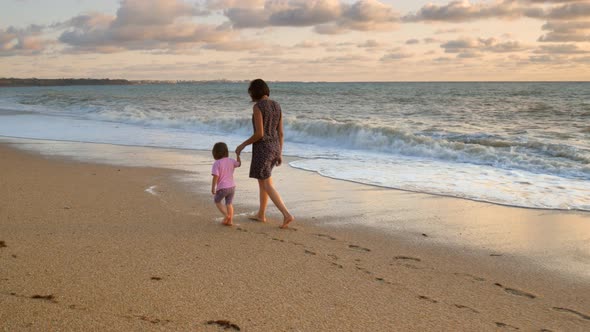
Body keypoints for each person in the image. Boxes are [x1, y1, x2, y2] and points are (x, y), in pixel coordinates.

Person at [236, 79, 295, 229]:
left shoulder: (258, 107)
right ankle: (261, 214)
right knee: (263, 182)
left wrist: (243, 145)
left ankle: (286, 214)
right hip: (275, 147)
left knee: (267, 184)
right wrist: (280, 152)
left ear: (254, 93)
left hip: (263, 149)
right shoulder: (277, 105)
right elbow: (280, 133)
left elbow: (259, 134)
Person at [211, 142, 241, 226]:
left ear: (215, 153)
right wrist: (238, 155)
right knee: (229, 203)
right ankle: (230, 220)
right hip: (232, 187)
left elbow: (215, 176)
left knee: (217, 201)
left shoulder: (217, 163)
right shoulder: (231, 160)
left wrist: (213, 187)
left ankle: (226, 215)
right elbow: (239, 164)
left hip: (222, 187)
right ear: (226, 151)